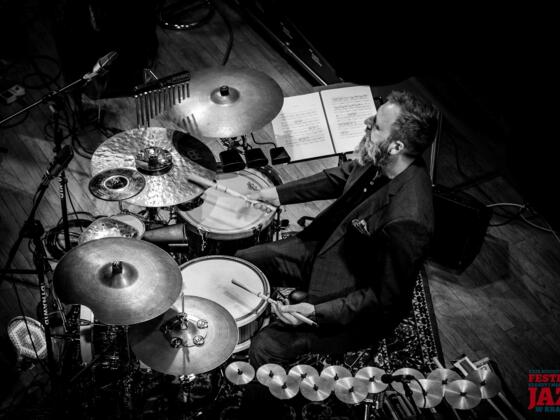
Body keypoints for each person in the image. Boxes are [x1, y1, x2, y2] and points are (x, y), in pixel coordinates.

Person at [235, 90, 439, 368]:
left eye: (377, 125)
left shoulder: (408, 220)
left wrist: (316, 310)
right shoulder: (381, 155)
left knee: (265, 348)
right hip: (327, 249)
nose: (367, 123)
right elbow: (340, 176)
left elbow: (383, 298)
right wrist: (275, 194)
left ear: (396, 146)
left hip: (353, 297)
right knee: (244, 262)